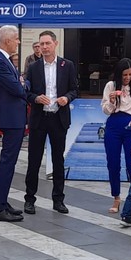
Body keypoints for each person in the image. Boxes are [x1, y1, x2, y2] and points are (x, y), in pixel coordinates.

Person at [23, 30, 79, 215]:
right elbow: (26, 93)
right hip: (39, 119)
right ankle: (30, 199)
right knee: (34, 160)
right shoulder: (33, 67)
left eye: (47, 43)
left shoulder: (67, 65)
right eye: (41, 44)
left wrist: (67, 98)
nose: (44, 47)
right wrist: (36, 98)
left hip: (58, 118)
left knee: (58, 160)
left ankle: (58, 199)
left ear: (55, 44)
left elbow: (74, 89)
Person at [0, 24, 27, 222]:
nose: (18, 42)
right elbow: (18, 88)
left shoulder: (5, 61)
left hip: (15, 117)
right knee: (7, 162)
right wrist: (22, 84)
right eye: (16, 38)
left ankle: (2, 202)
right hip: (11, 118)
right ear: (7, 40)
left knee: (10, 163)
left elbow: (20, 83)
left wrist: (22, 83)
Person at [101, 57, 131, 215]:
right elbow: (105, 109)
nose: (127, 78)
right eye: (124, 75)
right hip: (113, 125)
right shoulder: (110, 86)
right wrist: (112, 101)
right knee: (112, 163)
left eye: (130, 75)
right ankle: (116, 197)